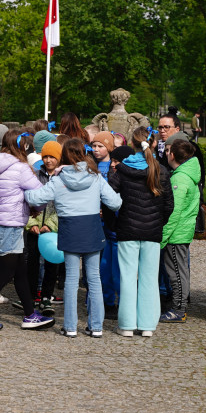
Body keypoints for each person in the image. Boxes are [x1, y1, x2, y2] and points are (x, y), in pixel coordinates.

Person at [25, 138, 123, 338]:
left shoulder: (59, 179)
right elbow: (115, 202)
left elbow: (35, 198)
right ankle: (96, 326)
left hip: (69, 229)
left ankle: (70, 326)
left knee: (70, 278)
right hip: (92, 228)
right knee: (94, 279)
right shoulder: (95, 177)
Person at [0, 130, 53, 330]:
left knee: (20, 271)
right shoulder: (20, 168)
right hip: (11, 225)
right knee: (6, 273)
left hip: (1, 222)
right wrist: (37, 209)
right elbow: (40, 192)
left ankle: (29, 314)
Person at [108, 126, 174, 338]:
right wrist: (158, 222)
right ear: (153, 143)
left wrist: (113, 225)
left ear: (131, 145)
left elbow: (109, 199)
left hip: (127, 229)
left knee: (127, 278)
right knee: (149, 278)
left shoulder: (123, 170)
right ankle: (147, 325)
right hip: (152, 232)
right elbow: (169, 205)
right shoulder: (161, 170)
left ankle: (127, 325)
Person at [159, 139, 201, 323]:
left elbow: (173, 213)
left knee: (176, 272)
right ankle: (179, 307)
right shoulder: (185, 174)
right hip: (180, 231)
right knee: (179, 270)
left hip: (176, 234)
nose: (166, 154)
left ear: (173, 155)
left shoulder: (180, 178)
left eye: (168, 151)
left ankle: (178, 309)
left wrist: (162, 237)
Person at [26, 140, 62, 315]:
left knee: (51, 263)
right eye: (45, 156)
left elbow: (63, 206)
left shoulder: (62, 177)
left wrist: (51, 224)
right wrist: (33, 223)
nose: (48, 160)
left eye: (52, 157)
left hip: (52, 229)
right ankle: (32, 295)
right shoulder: (35, 175)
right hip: (35, 227)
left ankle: (47, 296)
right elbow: (30, 201)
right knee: (32, 261)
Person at [91, 131, 120, 319]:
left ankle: (113, 299)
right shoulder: (90, 165)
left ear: (108, 148)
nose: (96, 149)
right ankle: (101, 298)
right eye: (93, 146)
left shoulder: (114, 166)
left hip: (110, 220)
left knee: (111, 264)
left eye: (100, 146)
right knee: (98, 265)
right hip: (94, 220)